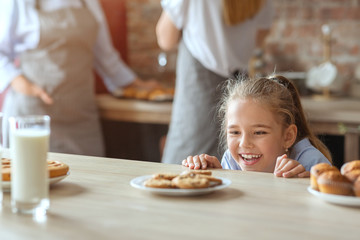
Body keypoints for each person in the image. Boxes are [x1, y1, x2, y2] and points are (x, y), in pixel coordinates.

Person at [0, 0, 159, 156]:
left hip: (81, 114)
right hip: (35, 113)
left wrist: (136, 84)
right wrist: (20, 82)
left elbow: (105, 56)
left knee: (90, 177)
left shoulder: (89, 2)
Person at [156, 0, 274, 164]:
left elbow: (165, 39)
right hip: (240, 83)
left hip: (199, 83)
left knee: (185, 166)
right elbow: (261, 33)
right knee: (234, 164)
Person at [182, 75, 332, 178]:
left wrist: (305, 185)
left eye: (259, 132)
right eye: (235, 132)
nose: (244, 143)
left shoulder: (311, 163)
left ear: (288, 136)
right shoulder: (232, 160)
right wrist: (219, 176)